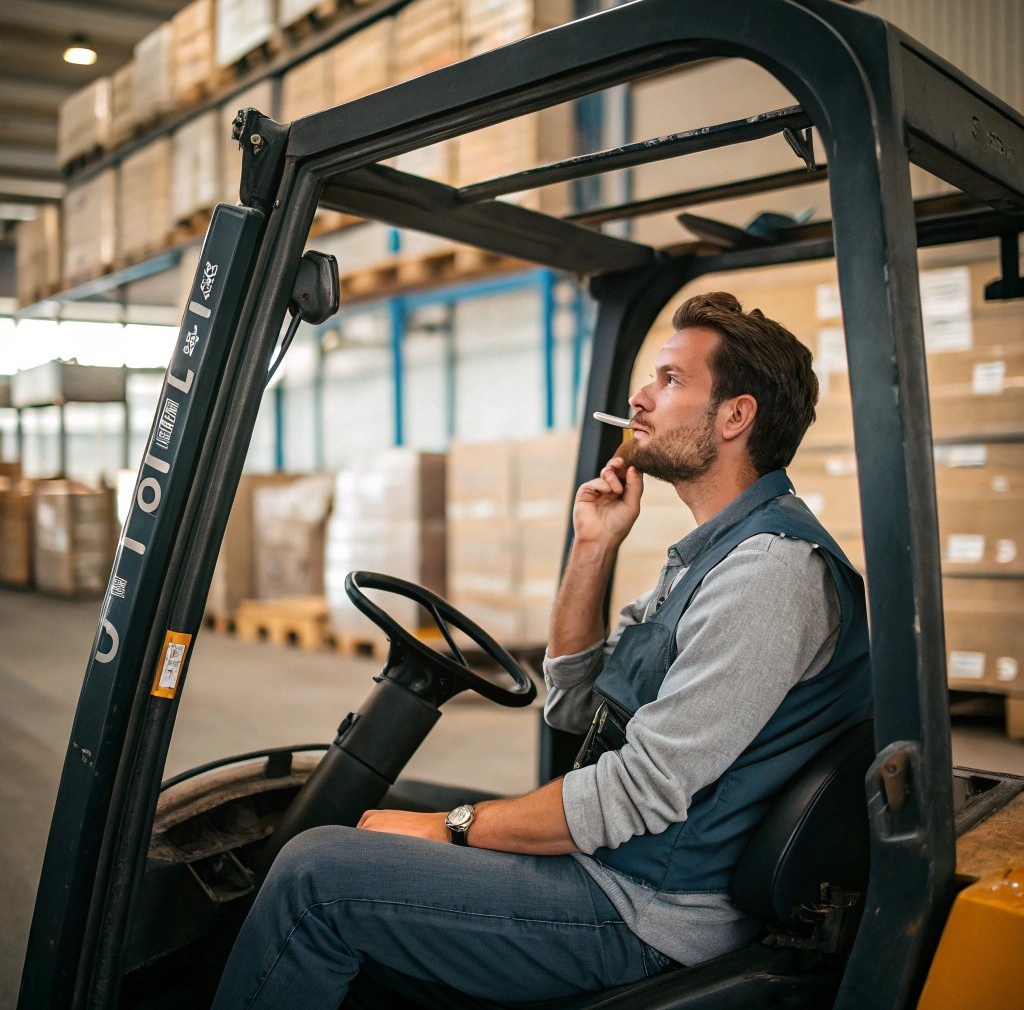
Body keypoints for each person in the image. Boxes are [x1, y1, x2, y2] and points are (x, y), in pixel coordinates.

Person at [211, 292, 871, 1009]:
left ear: (735, 416)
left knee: (315, 876)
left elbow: (635, 793)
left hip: (647, 911)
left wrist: (450, 830)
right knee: (375, 806)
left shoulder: (768, 574)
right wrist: (591, 548)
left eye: (671, 380)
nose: (640, 397)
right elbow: (574, 704)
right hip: (623, 866)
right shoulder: (711, 555)